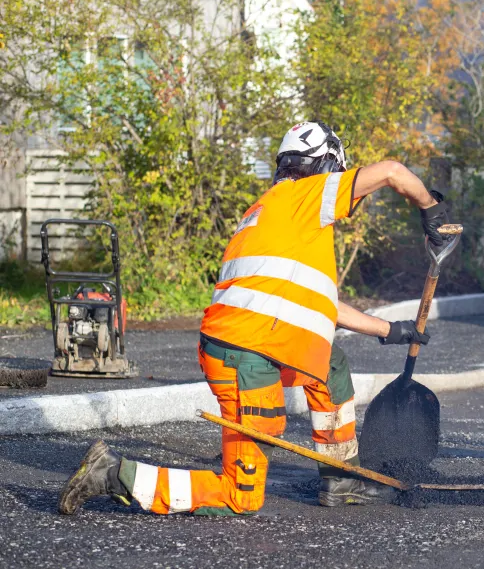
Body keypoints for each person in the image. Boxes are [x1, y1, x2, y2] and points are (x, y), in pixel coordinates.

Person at [59, 121, 451, 515]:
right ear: (326, 166)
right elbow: (392, 172)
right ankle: (113, 474)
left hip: (251, 345)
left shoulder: (268, 215)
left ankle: (341, 476)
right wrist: (431, 210)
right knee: (240, 498)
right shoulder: (307, 196)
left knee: (328, 364)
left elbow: (316, 306)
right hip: (245, 358)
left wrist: (390, 330)